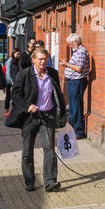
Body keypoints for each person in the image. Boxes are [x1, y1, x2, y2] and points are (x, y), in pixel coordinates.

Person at [7, 47, 66, 192]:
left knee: (49, 148)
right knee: (27, 150)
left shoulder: (52, 73)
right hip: (30, 117)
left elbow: (57, 94)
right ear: (33, 60)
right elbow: (15, 95)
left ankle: (50, 181)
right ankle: (29, 181)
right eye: (40, 59)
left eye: (45, 59)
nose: (43, 62)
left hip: (48, 116)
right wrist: (27, 106)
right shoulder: (24, 74)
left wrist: (60, 112)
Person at [63, 32, 90, 140]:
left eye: (70, 44)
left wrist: (66, 64)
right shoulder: (77, 51)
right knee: (73, 106)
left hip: (77, 81)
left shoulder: (81, 51)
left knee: (76, 106)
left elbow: (79, 68)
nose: (70, 46)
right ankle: (73, 129)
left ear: (76, 42)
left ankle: (78, 131)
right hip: (73, 81)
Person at [4, 47, 21, 114]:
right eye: (17, 54)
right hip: (10, 82)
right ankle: (7, 109)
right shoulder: (10, 60)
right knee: (8, 96)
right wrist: (11, 81)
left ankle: (14, 109)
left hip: (16, 81)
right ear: (13, 53)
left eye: (19, 54)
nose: (18, 55)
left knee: (15, 95)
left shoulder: (17, 60)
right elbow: (7, 72)